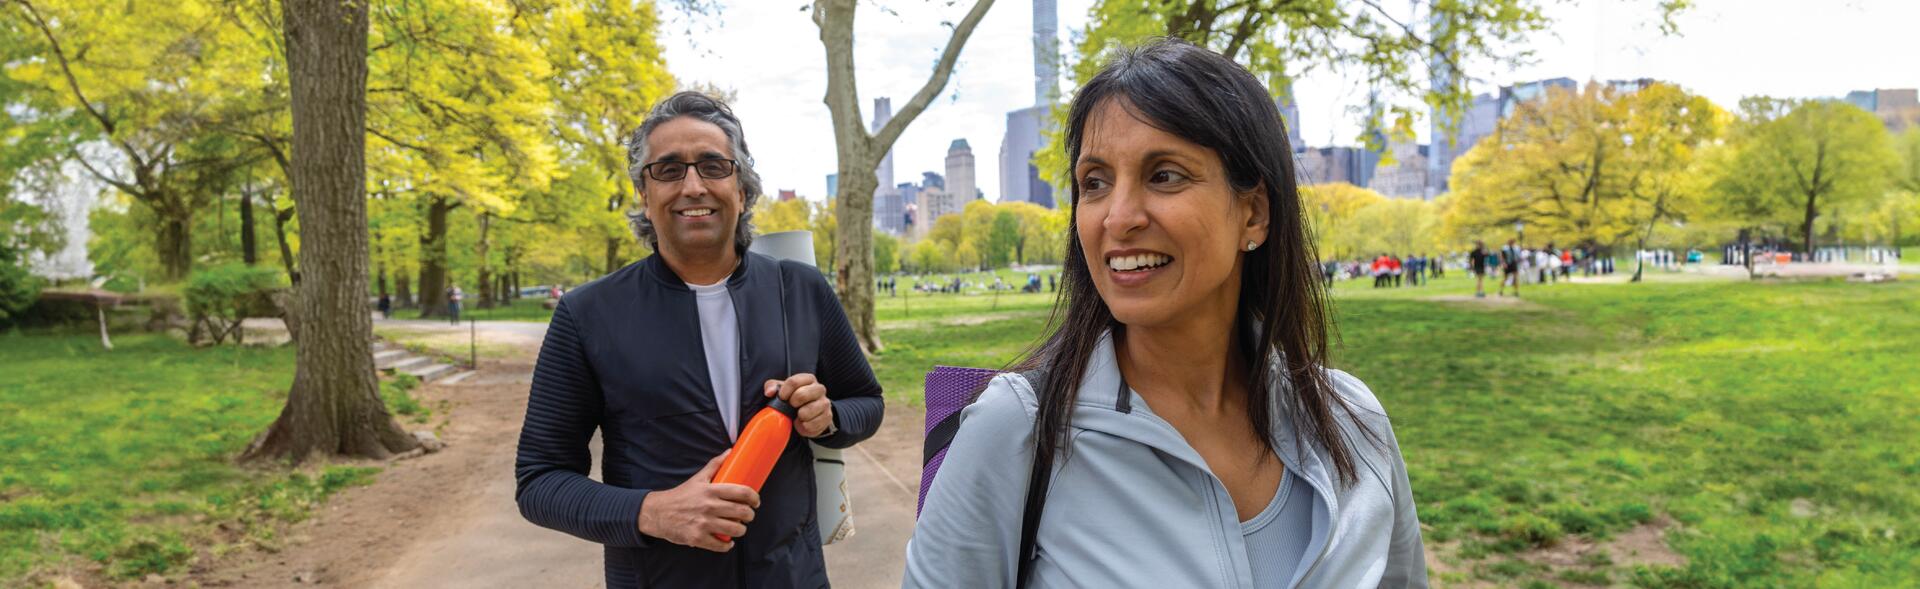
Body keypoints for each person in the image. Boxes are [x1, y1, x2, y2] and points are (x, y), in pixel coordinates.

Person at [905, 39, 1426, 589]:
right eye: (1095, 183)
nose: (1119, 217)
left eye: (1165, 175)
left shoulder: (1355, 422)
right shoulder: (1016, 430)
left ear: (1254, 214)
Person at [514, 92, 884, 588]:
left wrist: (829, 417)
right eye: (667, 170)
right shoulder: (588, 314)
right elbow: (540, 481)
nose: (692, 185)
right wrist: (653, 511)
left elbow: (867, 402)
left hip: (792, 575)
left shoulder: (800, 289)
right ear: (645, 194)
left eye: (713, 166)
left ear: (742, 190)